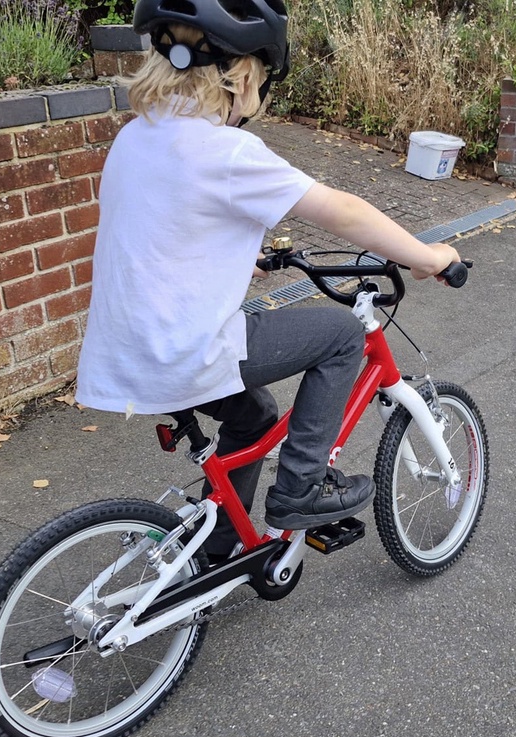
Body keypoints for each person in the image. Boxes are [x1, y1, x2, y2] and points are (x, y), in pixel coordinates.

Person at [76, 0, 460, 561]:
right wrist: (425, 256)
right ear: (242, 72)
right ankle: (301, 487)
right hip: (183, 351)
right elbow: (343, 211)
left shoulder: (137, 136)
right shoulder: (227, 152)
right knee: (341, 335)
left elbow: (167, 225)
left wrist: (235, 255)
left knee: (253, 414)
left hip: (125, 349)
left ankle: (219, 544)